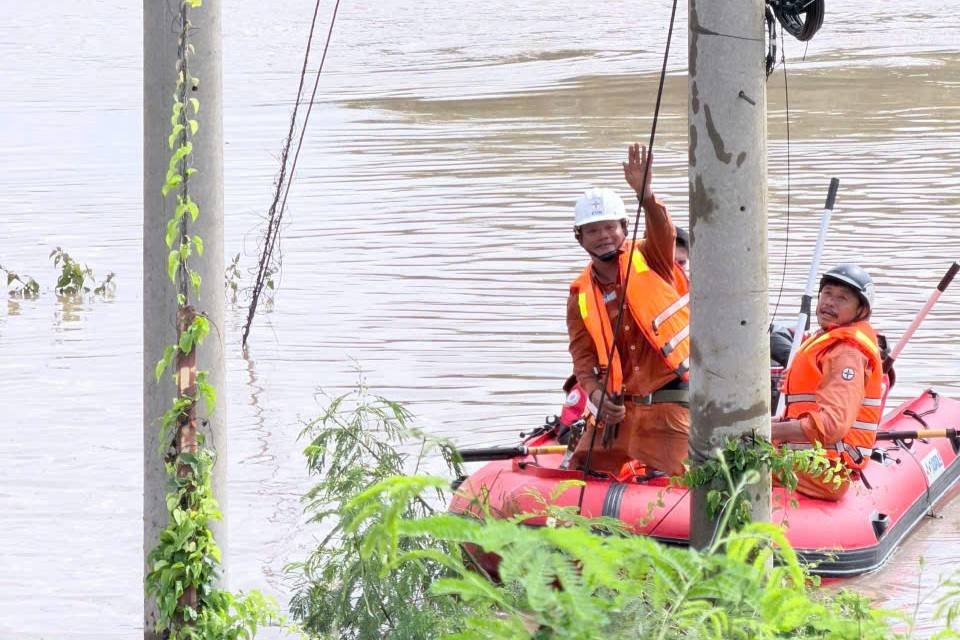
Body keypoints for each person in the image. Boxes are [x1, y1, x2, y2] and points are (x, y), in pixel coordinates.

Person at [565, 144, 691, 477]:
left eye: (610, 228)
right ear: (579, 238)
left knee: (686, 486)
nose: (603, 236)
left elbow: (662, 231)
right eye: (592, 230)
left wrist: (646, 196)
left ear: (624, 228)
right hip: (615, 412)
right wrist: (594, 392)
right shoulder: (579, 293)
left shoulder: (652, 258)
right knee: (580, 473)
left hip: (667, 406)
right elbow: (582, 357)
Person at [771, 264, 884, 501]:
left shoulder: (847, 353)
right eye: (827, 293)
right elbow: (808, 407)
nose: (829, 302)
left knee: (726, 464)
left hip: (826, 471)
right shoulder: (827, 341)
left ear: (860, 310)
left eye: (842, 298)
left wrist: (764, 432)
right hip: (809, 460)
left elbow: (831, 426)